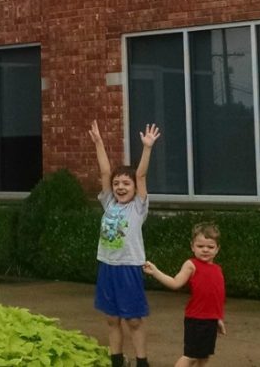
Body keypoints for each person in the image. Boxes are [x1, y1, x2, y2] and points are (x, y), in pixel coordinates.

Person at [89, 120, 161, 367]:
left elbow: (140, 174)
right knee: (112, 319)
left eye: (125, 183)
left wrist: (147, 148)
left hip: (129, 267)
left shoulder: (138, 207)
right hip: (107, 266)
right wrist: (99, 143)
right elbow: (105, 173)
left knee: (133, 320)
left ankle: (142, 362)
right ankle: (117, 361)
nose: (120, 186)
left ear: (134, 188)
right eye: (118, 183)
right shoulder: (109, 203)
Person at [143, 223, 226, 367]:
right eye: (200, 246)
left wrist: (218, 318)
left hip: (210, 321)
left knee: (204, 357)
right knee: (190, 356)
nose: (205, 250)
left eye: (210, 247)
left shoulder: (218, 269)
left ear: (217, 249)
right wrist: (155, 272)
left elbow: (216, 296)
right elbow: (175, 283)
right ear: (192, 246)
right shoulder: (191, 265)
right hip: (196, 320)